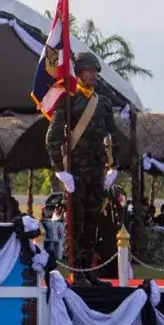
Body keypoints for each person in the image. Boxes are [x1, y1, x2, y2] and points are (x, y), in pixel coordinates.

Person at [46, 51, 118, 285]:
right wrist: (60, 170)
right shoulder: (68, 100)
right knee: (76, 223)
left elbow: (113, 137)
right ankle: (76, 272)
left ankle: (88, 271)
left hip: (96, 172)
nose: (94, 75)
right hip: (75, 172)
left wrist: (114, 167)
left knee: (93, 223)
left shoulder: (103, 103)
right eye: (89, 71)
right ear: (78, 73)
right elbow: (53, 137)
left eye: (96, 71)